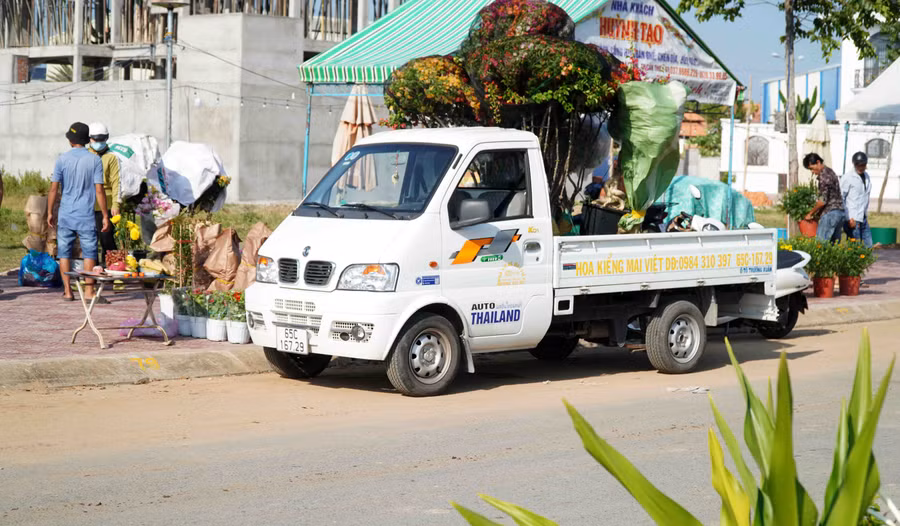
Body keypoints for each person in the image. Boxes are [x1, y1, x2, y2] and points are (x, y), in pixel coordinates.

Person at [47, 122, 110, 302]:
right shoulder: (95, 160)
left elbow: (53, 189)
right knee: (90, 251)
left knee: (64, 252)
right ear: (87, 140)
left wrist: (50, 212)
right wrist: (105, 215)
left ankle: (68, 291)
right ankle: (89, 292)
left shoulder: (62, 159)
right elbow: (99, 190)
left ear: (70, 140)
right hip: (86, 215)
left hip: (66, 214)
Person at [88, 122, 121, 264]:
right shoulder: (85, 156)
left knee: (107, 238)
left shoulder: (111, 157)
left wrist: (115, 204)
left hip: (106, 205)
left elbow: (116, 182)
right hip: (88, 203)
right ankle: (91, 271)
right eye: (96, 139)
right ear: (90, 139)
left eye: (102, 139)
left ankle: (114, 268)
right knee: (90, 240)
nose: (98, 143)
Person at [802, 153, 844, 243]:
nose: (812, 172)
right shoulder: (830, 171)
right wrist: (818, 214)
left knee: (820, 245)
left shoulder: (824, 176)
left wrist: (810, 213)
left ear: (818, 162)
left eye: (812, 168)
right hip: (839, 213)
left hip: (830, 214)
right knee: (834, 246)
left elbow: (822, 201)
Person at [841, 151, 873, 248]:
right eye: (858, 165)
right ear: (854, 164)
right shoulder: (847, 177)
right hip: (852, 218)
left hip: (863, 217)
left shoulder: (867, 177)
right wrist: (848, 217)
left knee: (869, 245)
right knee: (855, 247)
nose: (860, 167)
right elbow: (841, 197)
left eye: (862, 165)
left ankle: (867, 263)